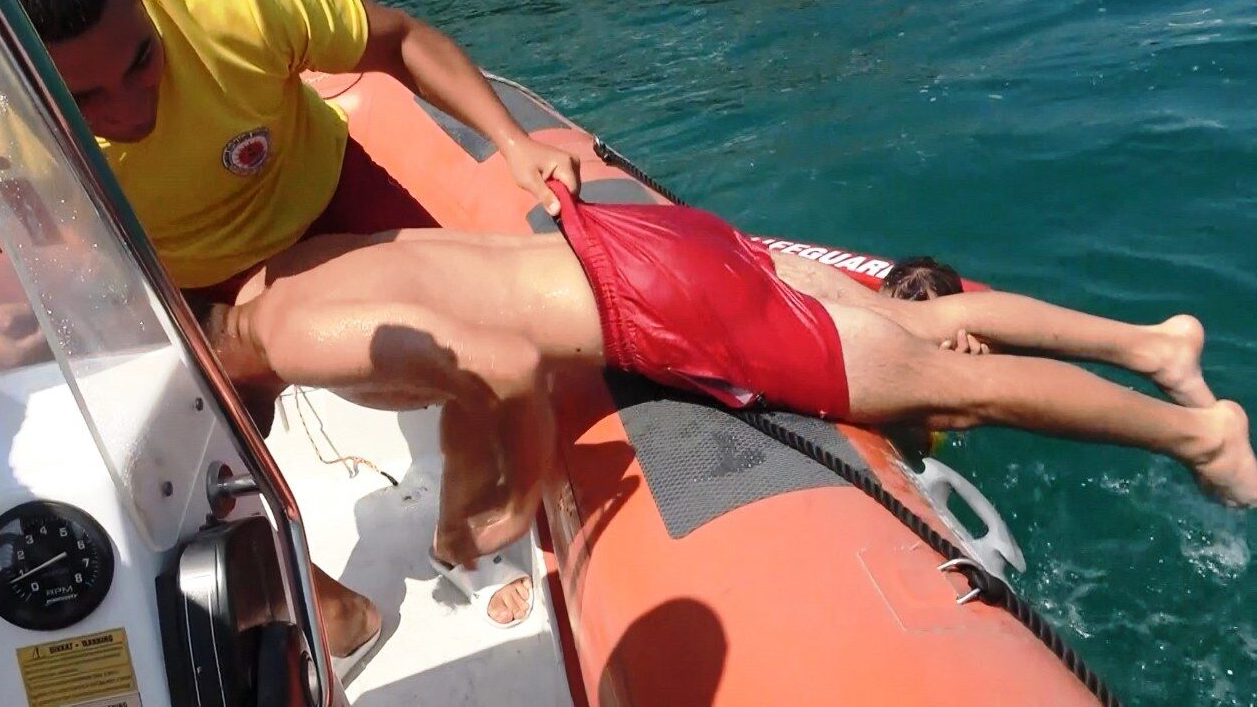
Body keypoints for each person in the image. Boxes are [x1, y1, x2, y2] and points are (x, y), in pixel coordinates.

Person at [191, 186, 1257, 624]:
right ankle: (1151, 345)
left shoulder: (290, 342)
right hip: (633, 240)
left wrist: (513, 503)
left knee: (955, 387)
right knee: (917, 326)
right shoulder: (281, 277)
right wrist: (453, 519)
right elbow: (454, 378)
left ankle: (1198, 434)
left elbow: (506, 368)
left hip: (654, 303)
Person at [13, 0, 582, 650]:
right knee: (172, 469)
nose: (131, 110)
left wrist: (512, 141)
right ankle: (332, 611)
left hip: (324, 197)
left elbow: (399, 40)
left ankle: (460, 535)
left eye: (142, 61)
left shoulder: (234, 6)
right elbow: (64, 260)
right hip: (183, 283)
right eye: (85, 100)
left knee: (476, 348)